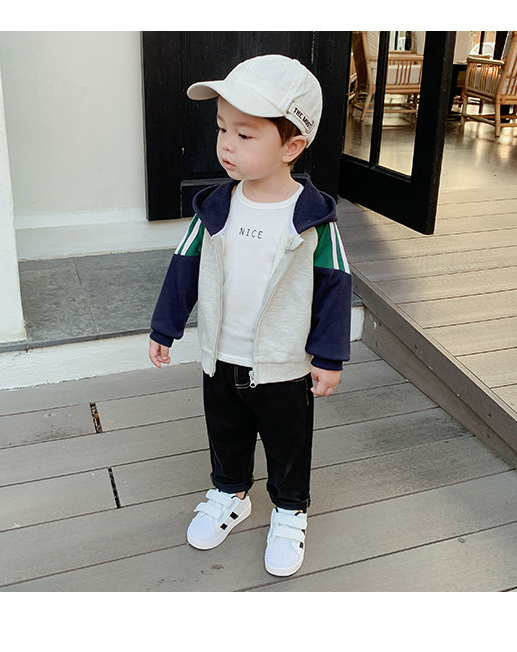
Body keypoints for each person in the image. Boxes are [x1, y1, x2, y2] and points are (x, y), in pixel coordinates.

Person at [148, 54, 352, 577]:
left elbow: (334, 286)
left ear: (292, 146)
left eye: (244, 134)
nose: (226, 145)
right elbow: (183, 267)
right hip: (220, 356)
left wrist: (328, 356)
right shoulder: (215, 209)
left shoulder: (312, 219)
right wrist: (165, 327)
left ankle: (289, 510)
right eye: (222, 129)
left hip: (283, 365)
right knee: (226, 433)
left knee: (288, 443)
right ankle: (230, 493)